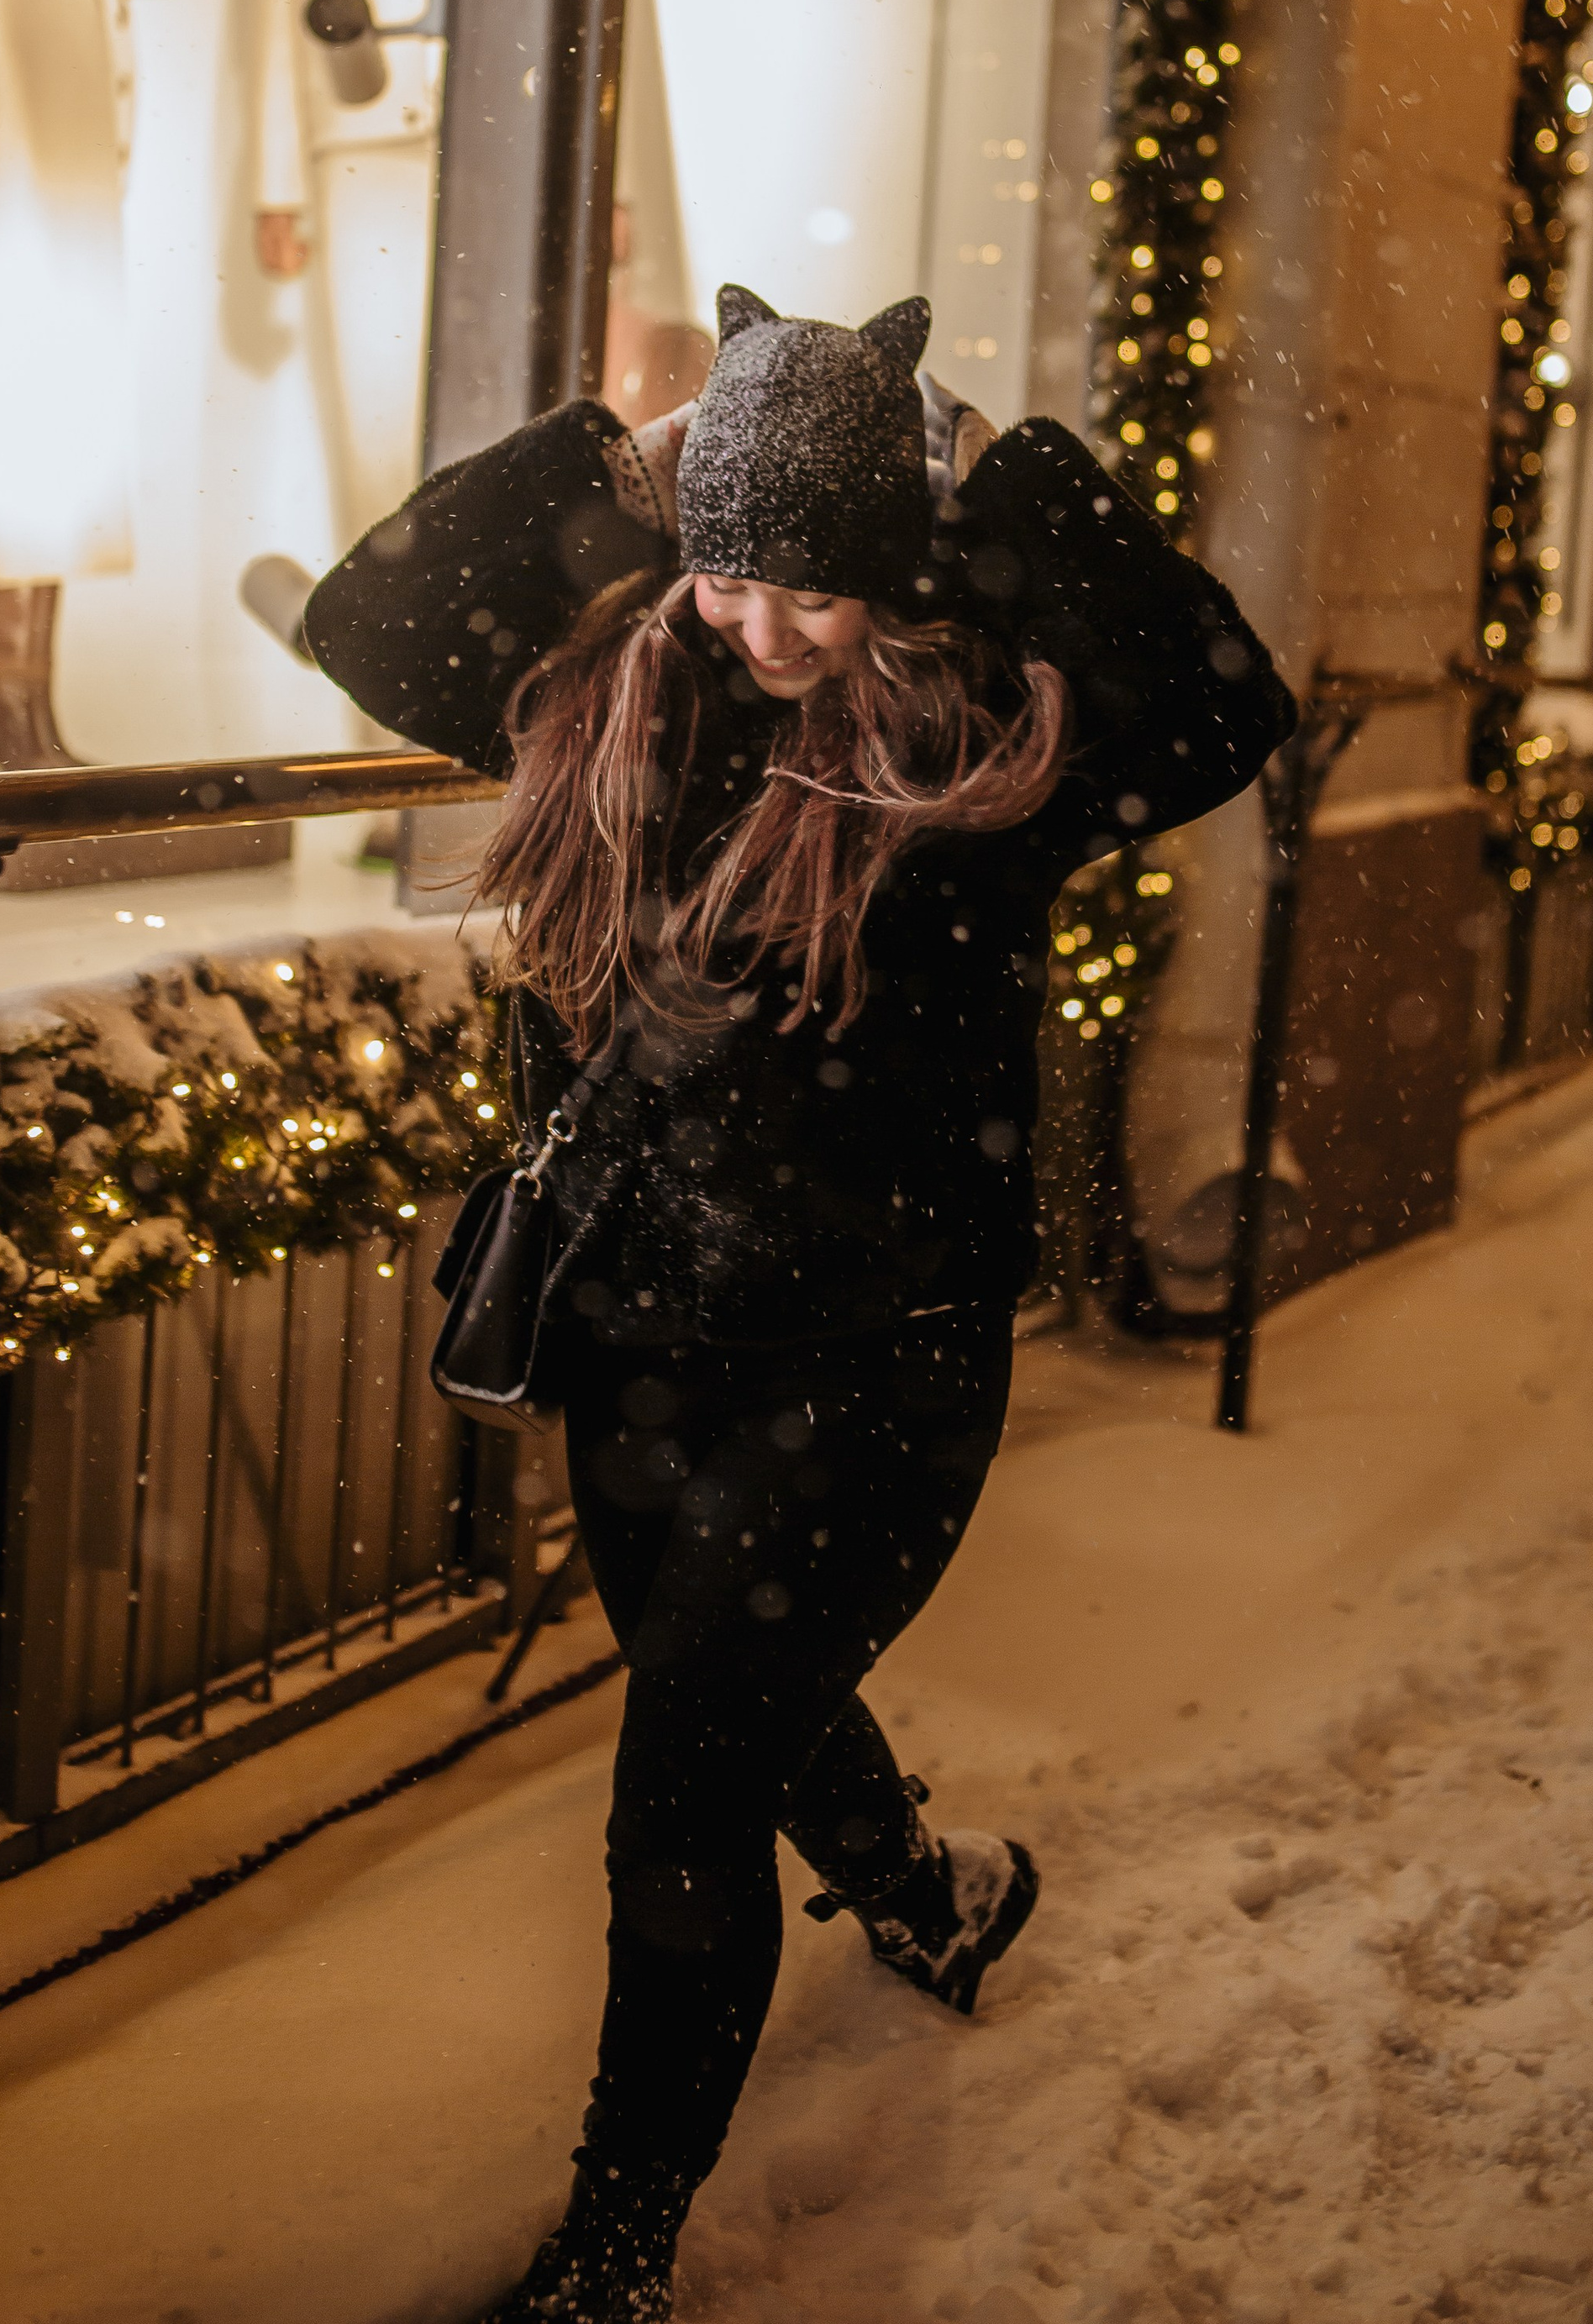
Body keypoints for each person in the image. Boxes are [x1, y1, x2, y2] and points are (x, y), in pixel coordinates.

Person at [303, 284, 1294, 2323]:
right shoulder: (620, 699)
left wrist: (1000, 470)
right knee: (720, 1678)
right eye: (729, 568)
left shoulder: (978, 756)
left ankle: (619, 2244)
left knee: (680, 1777)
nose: (761, 624)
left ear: (892, 565)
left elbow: (1222, 698)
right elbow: (366, 621)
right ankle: (926, 1893)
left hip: (873, 1359)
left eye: (813, 583)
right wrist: (618, 454)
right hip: (640, 1329)